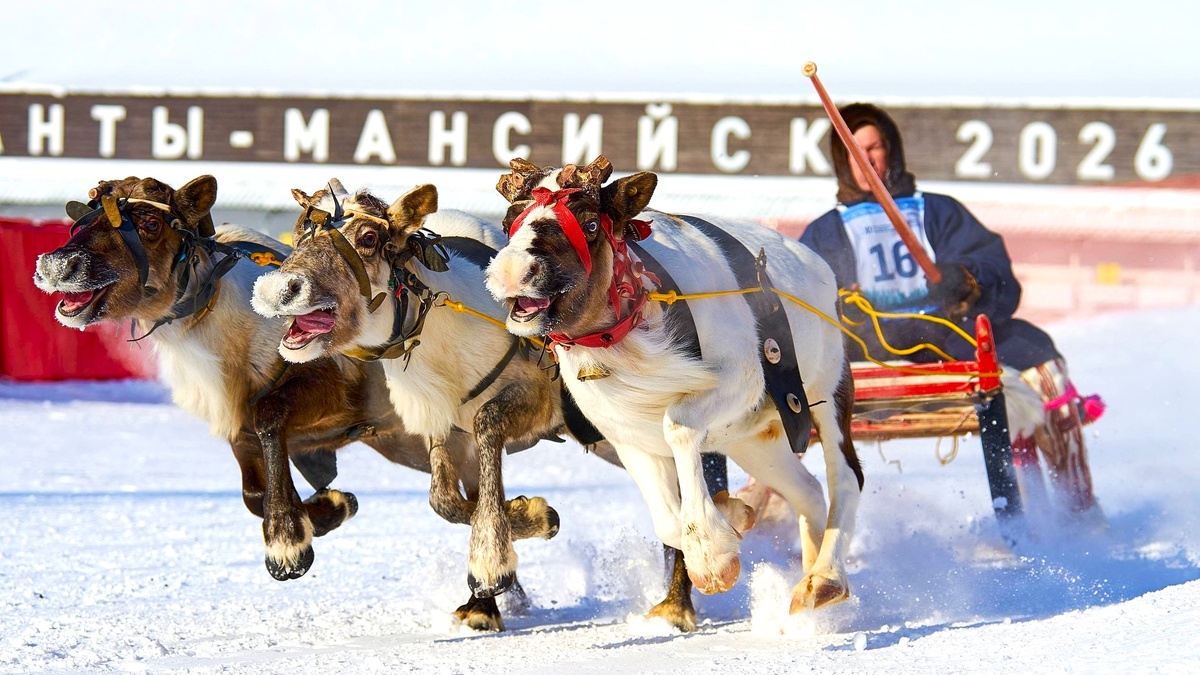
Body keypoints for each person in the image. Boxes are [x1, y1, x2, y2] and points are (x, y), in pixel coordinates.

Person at [796, 102, 1104, 526]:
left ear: (893, 151)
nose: (867, 160)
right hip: (866, 355)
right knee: (783, 395)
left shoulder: (939, 212)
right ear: (841, 161)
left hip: (949, 340)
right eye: (855, 150)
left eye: (876, 147)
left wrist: (966, 278)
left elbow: (998, 273)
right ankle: (775, 517)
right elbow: (799, 305)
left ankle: (1074, 514)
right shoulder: (825, 232)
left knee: (1043, 366)